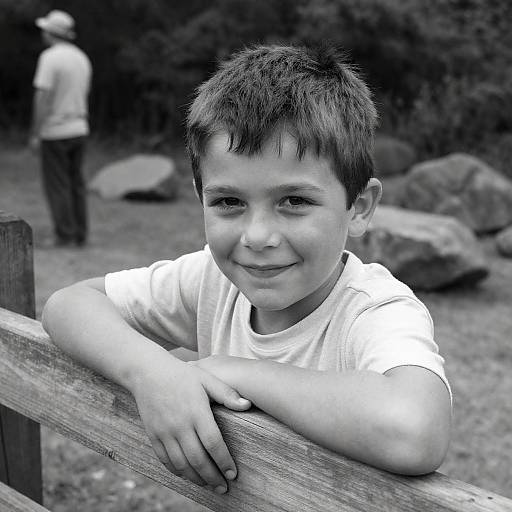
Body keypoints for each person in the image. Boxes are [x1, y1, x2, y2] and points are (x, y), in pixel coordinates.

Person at [42, 45, 452, 495]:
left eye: (294, 201)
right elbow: (68, 304)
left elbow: (414, 431)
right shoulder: (211, 280)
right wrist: (153, 373)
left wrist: (233, 370)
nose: (257, 236)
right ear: (200, 196)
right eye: (228, 202)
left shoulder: (376, 310)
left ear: (358, 207)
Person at [30, 10, 92, 247]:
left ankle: (64, 235)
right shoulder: (81, 57)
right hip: (79, 128)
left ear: (50, 33)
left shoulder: (50, 58)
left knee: (57, 184)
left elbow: (42, 97)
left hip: (55, 130)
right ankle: (80, 233)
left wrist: (35, 132)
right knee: (76, 182)